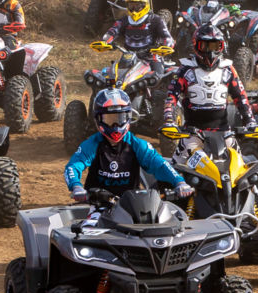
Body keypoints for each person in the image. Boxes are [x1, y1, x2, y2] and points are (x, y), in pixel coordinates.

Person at [64, 88, 192, 206]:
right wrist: (76, 186)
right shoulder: (92, 144)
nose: (115, 125)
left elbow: (160, 165)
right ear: (98, 119)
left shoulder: (138, 145)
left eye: (120, 118)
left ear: (129, 117)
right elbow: (73, 166)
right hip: (97, 205)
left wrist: (179, 182)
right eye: (109, 120)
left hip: (131, 206)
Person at [163, 24, 257, 155]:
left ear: (221, 46)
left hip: (224, 132)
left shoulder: (228, 69)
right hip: (192, 133)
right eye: (205, 46)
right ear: (196, 45)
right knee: (180, 164)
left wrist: (250, 120)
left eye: (215, 46)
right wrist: (169, 120)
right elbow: (171, 97)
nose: (210, 52)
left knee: (238, 163)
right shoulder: (185, 69)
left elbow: (240, 97)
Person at [100, 0, 174, 57]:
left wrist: (165, 46)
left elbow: (167, 37)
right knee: (114, 67)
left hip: (151, 57)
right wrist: (104, 41)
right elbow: (112, 31)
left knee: (157, 67)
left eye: (137, 6)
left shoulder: (155, 20)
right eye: (131, 6)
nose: (134, 9)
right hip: (128, 56)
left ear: (145, 5)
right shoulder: (124, 20)